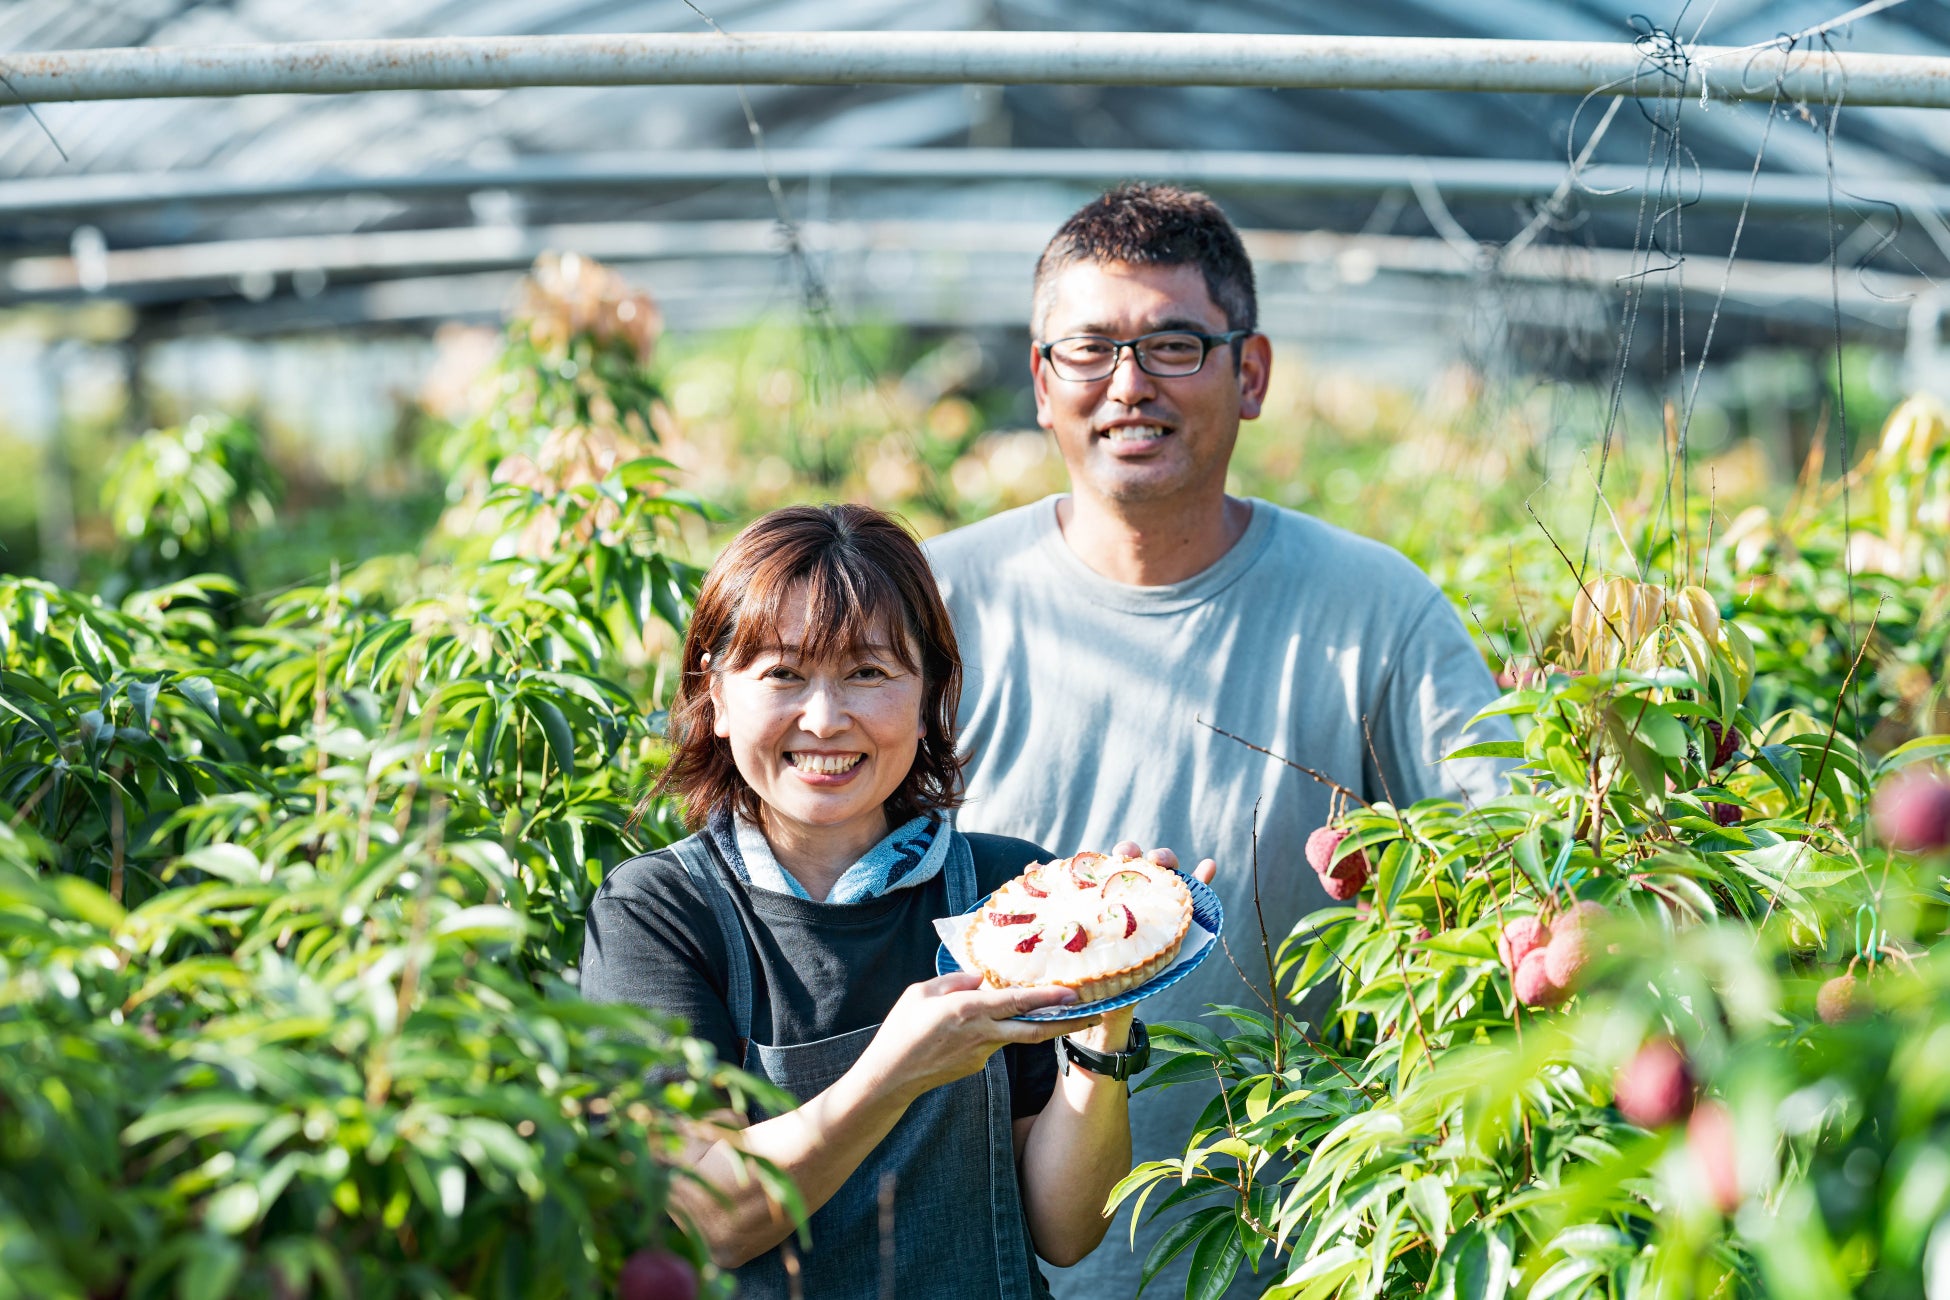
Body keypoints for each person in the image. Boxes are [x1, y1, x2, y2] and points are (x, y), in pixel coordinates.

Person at [925, 184, 1513, 1298]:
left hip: (1285, 1249)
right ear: (1042, 383)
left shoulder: (1373, 609)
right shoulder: (938, 605)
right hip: (984, 1256)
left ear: (1252, 374)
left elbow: (1509, 861)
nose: (1128, 384)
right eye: (1089, 349)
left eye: (1174, 344)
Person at [581, 504, 1141, 1299]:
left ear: (930, 693)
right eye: (782, 673)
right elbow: (709, 1217)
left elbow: (1067, 1231)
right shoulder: (658, 913)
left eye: (868, 673)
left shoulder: (1009, 894)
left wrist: (1105, 1016)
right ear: (717, 694)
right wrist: (894, 1072)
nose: (824, 719)